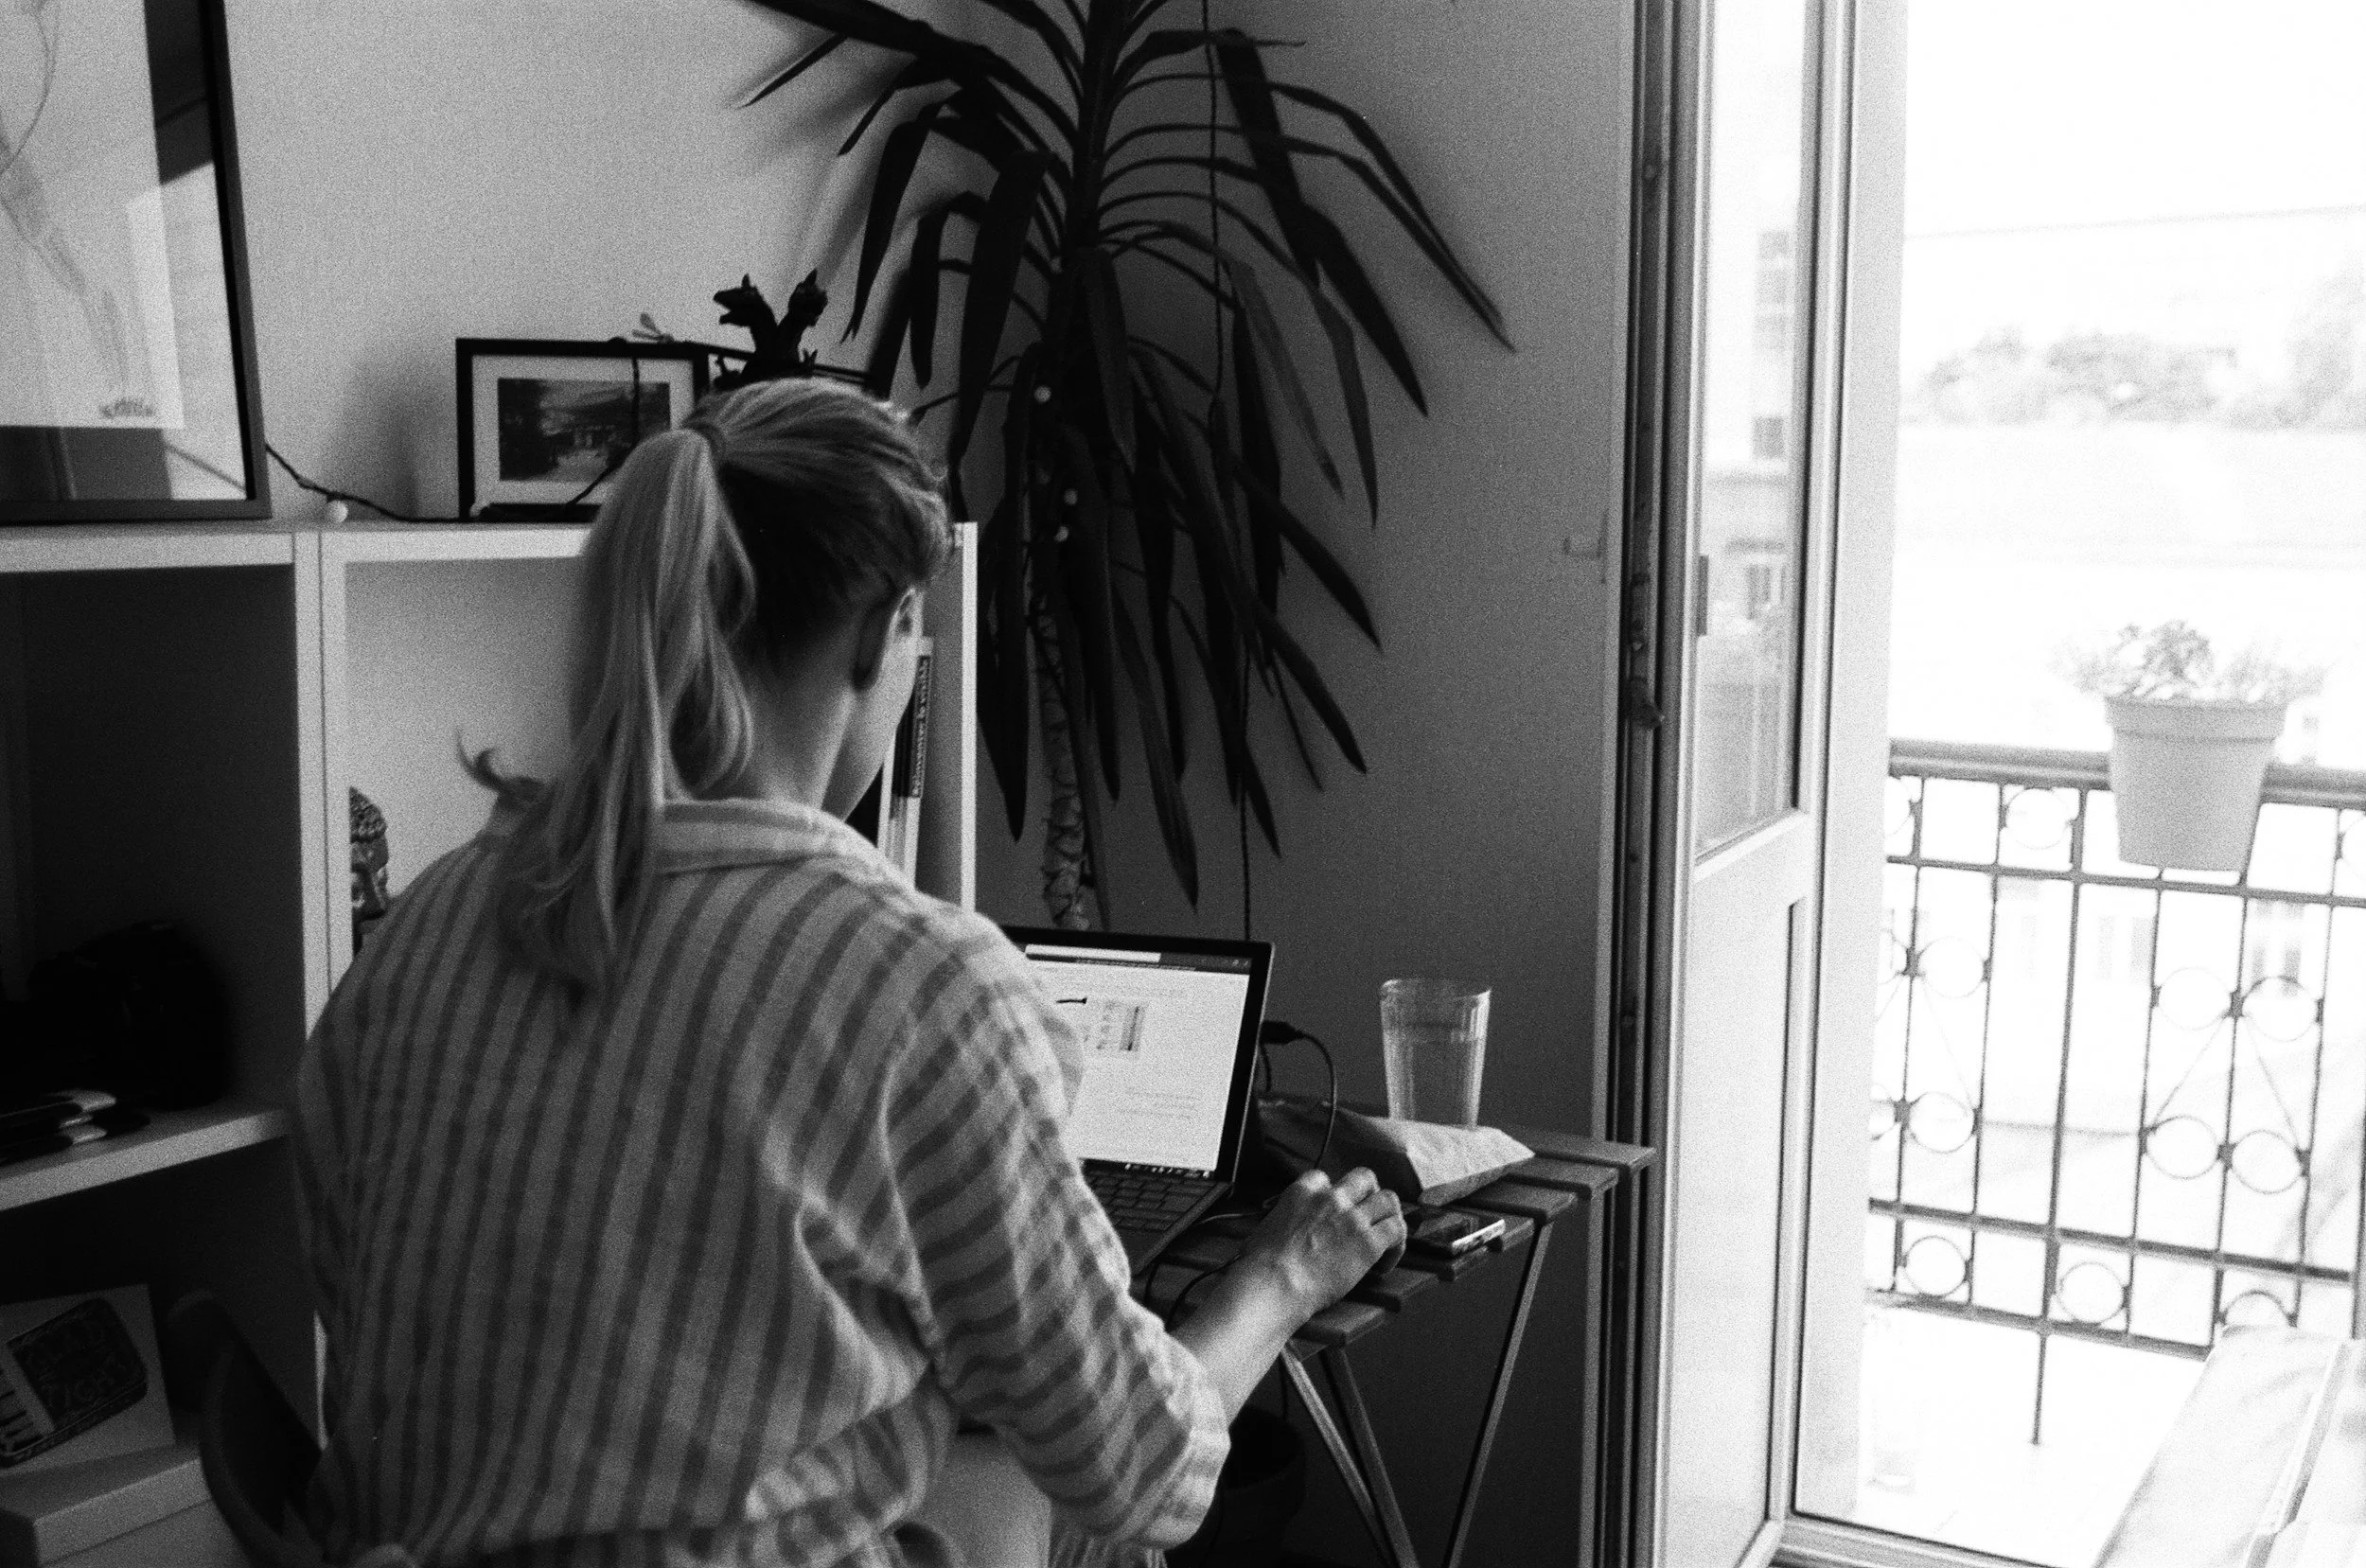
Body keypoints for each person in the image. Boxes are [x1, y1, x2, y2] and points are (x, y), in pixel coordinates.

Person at [290, 378, 1405, 1568]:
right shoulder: (924, 991)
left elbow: (350, 1280)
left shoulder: (427, 921)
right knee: (1095, 1524)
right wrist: (1280, 1276)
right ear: (887, 640)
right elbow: (1146, 1472)